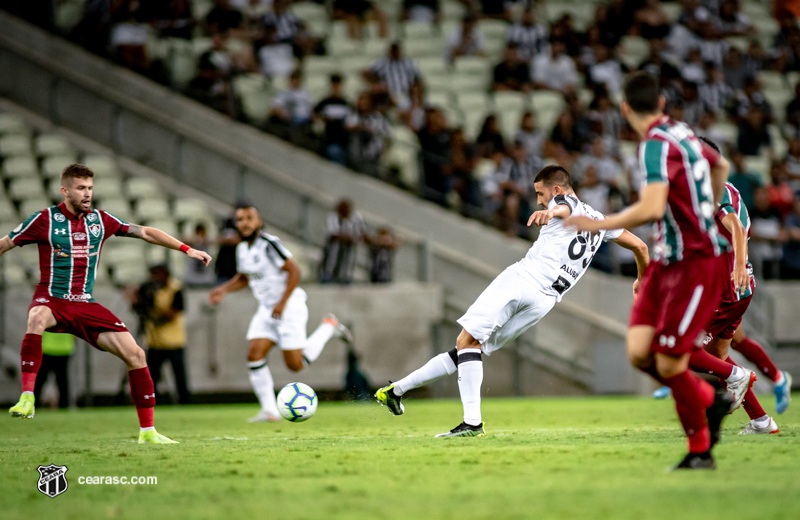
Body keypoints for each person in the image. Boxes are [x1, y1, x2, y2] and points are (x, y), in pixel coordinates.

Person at [375, 165, 650, 438]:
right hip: (546, 300)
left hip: (523, 280)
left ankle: (471, 423)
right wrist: (641, 278)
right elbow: (641, 246)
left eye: (540, 194)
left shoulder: (562, 201)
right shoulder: (600, 220)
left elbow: (564, 207)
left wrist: (550, 210)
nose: (539, 200)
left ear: (555, 189)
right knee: (470, 347)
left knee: (467, 342)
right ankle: (396, 391)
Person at [565, 72, 733, 470]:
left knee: (670, 364)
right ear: (660, 102)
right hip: (665, 262)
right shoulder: (683, 132)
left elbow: (653, 207)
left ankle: (700, 451)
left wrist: (600, 224)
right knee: (640, 353)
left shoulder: (654, 145)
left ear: (625, 109)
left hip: (696, 261)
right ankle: (712, 399)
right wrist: (708, 206)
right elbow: (721, 164)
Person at [3, 163, 212, 443]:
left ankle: (148, 432)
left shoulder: (100, 220)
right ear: (65, 190)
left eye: (90, 188)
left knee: (136, 355)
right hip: (52, 299)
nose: (87, 194)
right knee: (36, 317)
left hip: (86, 304)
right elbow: (5, 243)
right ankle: (27, 397)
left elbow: (146, 232)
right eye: (80, 188)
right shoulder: (44, 220)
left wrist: (188, 249)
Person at [208, 204, 352, 422]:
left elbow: (294, 270)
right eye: (240, 219)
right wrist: (224, 289)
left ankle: (328, 327)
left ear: (258, 222)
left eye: (249, 218)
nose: (244, 223)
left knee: (295, 365)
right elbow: (245, 277)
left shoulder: (269, 244)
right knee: (254, 354)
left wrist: (282, 303)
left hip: (288, 307)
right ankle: (269, 410)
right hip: (267, 309)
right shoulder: (242, 249)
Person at [132, 264, 192, 405]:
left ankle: (186, 402)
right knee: (152, 377)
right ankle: (152, 403)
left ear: (166, 274)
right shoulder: (150, 290)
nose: (155, 278)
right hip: (154, 341)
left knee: (180, 376)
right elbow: (140, 309)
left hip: (174, 341)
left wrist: (152, 304)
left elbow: (171, 315)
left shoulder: (176, 289)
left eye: (157, 274)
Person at [318, 200, 366, 284]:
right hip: (331, 264)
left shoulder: (354, 220)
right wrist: (350, 238)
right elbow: (333, 234)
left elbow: (359, 237)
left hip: (346, 268)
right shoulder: (332, 217)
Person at [33, 332, 75, 409]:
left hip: (46, 347)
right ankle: (64, 405)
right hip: (64, 348)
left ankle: (33, 404)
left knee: (40, 379)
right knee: (62, 381)